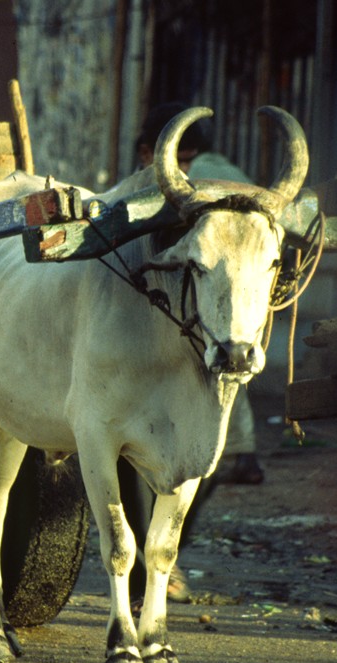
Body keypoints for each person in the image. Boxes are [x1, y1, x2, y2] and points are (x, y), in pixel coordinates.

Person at [123, 102, 266, 604]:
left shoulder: (209, 188)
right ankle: (149, 560)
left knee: (196, 454)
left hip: (215, 346)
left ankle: (164, 557)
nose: (181, 171)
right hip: (173, 348)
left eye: (185, 159)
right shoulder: (144, 196)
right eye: (171, 161)